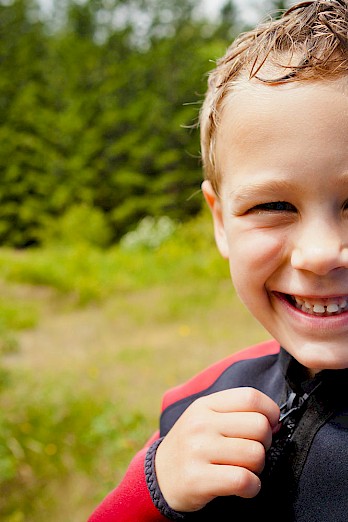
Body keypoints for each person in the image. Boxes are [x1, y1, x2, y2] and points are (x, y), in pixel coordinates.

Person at [88, 1, 348, 520]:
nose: (319, 254)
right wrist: (155, 489)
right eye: (273, 206)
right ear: (221, 222)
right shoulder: (203, 403)